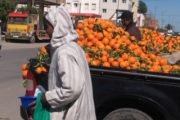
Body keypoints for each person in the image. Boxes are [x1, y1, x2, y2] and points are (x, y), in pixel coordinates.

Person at [40, 6, 97, 120]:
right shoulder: (74, 47)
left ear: (57, 26)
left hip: (73, 113)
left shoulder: (64, 52)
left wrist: (47, 98)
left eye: (47, 27)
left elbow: (72, 89)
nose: (46, 30)